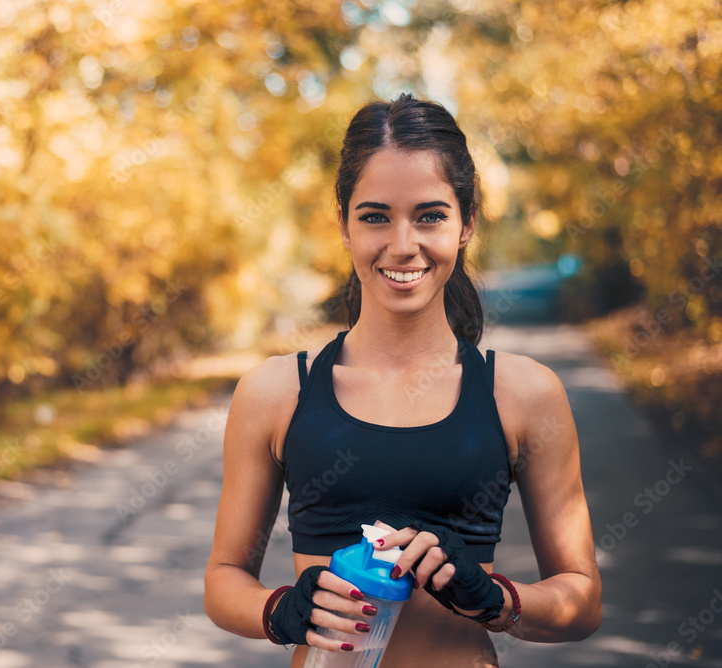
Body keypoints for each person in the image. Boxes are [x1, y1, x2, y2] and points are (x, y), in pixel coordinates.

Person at [203, 93, 602, 667]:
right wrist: (284, 610)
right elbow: (223, 579)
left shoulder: (523, 393)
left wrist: (495, 600)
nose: (402, 244)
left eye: (430, 215)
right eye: (375, 217)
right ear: (343, 225)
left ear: (466, 224)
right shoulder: (276, 393)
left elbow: (582, 601)